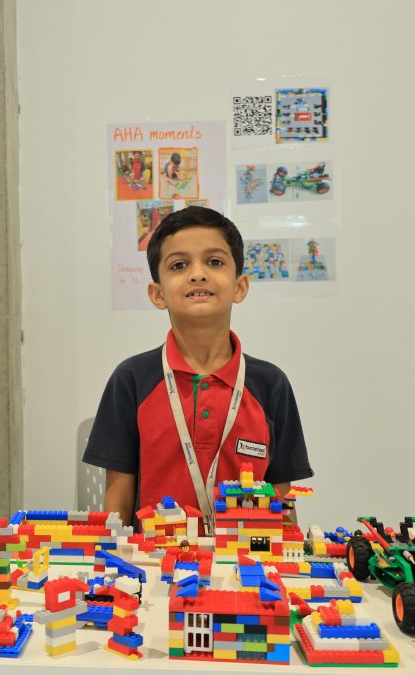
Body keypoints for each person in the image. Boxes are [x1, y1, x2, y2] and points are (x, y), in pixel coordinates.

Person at [82, 206, 312, 533]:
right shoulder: (131, 380)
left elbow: (282, 501)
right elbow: (118, 504)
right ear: (158, 294)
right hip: (155, 559)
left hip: (247, 557)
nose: (198, 274)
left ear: (240, 287)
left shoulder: (271, 384)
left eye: (215, 262)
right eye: (179, 265)